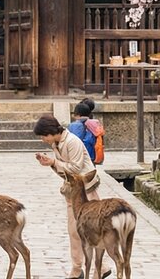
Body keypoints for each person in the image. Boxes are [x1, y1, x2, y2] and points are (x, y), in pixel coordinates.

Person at [34, 115, 112, 279]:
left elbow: (75, 169)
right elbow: (66, 174)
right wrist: (51, 163)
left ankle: (100, 267)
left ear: (50, 132)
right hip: (73, 193)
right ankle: (77, 268)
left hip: (86, 191)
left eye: (43, 136)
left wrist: (54, 163)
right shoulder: (56, 144)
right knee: (74, 231)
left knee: (92, 230)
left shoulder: (72, 141)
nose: (43, 140)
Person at [68, 99, 103, 164]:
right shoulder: (95, 123)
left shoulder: (73, 125)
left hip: (78, 156)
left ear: (77, 114)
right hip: (92, 155)